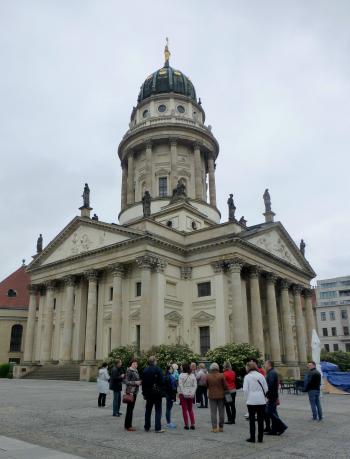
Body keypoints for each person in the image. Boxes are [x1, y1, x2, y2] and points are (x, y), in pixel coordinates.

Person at [243, 361, 268, 443]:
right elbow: (266, 388)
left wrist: (247, 398)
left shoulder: (247, 377)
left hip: (251, 401)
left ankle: (252, 437)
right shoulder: (261, 376)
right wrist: (262, 395)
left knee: (252, 420)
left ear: (248, 368)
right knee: (261, 420)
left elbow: (245, 390)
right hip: (261, 400)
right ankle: (260, 438)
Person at [142, 356, 165, 433]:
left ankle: (147, 427)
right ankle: (158, 428)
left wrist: (144, 393)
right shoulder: (158, 369)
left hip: (148, 393)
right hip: (157, 392)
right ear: (154, 361)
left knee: (148, 410)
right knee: (158, 410)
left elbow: (143, 383)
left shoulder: (145, 370)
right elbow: (162, 381)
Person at [264, 360, 287, 435]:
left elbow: (270, 385)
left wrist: (266, 393)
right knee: (273, 412)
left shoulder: (272, 373)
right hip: (273, 395)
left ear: (269, 364)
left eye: (265, 364)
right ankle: (274, 429)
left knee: (269, 412)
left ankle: (282, 426)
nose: (264, 365)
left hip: (272, 396)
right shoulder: (271, 372)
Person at [206, 362, 227, 433]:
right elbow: (225, 386)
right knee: (221, 412)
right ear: (217, 368)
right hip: (221, 396)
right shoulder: (221, 375)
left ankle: (214, 428)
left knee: (213, 412)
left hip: (212, 396)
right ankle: (221, 427)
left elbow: (206, 385)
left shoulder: (208, 376)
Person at [178, 362, 197, 430]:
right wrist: (193, 393)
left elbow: (180, 385)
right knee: (190, 409)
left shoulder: (181, 375)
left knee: (184, 410)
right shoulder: (192, 375)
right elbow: (195, 385)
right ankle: (192, 424)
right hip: (191, 393)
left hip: (183, 394)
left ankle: (186, 424)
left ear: (183, 368)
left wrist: (184, 392)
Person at [124, 360, 141, 432]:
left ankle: (127, 424)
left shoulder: (135, 370)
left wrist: (139, 382)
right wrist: (135, 382)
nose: (136, 365)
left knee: (131, 409)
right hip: (130, 392)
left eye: (136, 364)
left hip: (134, 391)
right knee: (130, 409)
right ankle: (128, 426)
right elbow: (126, 381)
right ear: (131, 364)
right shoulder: (129, 371)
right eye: (134, 364)